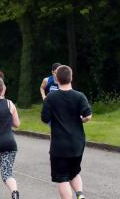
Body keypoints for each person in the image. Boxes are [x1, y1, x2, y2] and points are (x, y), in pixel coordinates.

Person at [41, 65, 92, 199]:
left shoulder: (50, 98)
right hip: (77, 143)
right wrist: (81, 120)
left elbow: (44, 118)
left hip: (59, 145)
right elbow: (88, 115)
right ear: (71, 77)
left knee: (62, 178)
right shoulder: (80, 96)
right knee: (74, 172)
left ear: (56, 79)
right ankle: (80, 195)